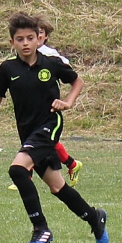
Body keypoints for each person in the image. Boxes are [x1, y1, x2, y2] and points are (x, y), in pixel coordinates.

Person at [0, 12, 108, 243]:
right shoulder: (7, 68)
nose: (25, 43)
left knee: (17, 170)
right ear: (12, 42)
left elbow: (77, 82)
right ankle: (94, 217)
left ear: (39, 39)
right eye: (20, 39)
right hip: (28, 133)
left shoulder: (51, 63)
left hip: (49, 124)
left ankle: (41, 228)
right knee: (57, 187)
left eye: (30, 38)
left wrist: (68, 102)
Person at [35, 17, 83, 187]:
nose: (37, 36)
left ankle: (24, 175)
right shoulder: (22, 57)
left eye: (40, 33)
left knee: (37, 143)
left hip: (48, 111)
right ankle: (71, 164)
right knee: (45, 143)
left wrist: (67, 102)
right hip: (30, 110)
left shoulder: (50, 56)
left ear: (45, 36)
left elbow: (73, 76)